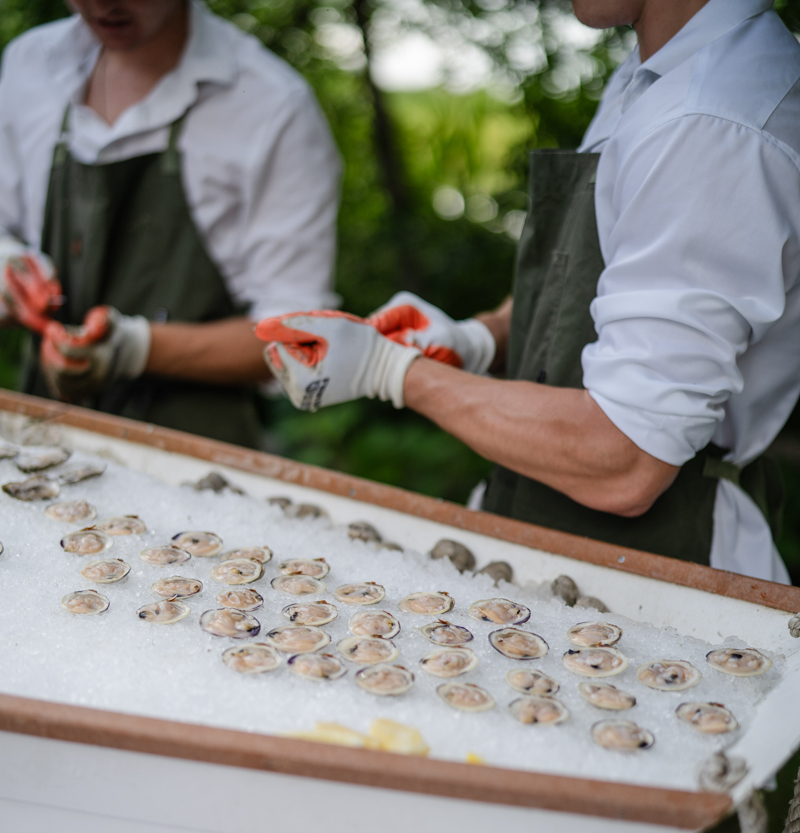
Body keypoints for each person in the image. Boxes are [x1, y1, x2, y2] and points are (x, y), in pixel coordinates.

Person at [258, 0, 800, 584]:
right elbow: (612, 285)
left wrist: (388, 371)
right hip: (558, 527)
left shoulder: (712, 125)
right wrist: (481, 338)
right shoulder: (654, 73)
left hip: (657, 564)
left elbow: (626, 458)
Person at [0, 0, 340, 448]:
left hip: (194, 458)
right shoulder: (30, 64)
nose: (102, 4)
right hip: (44, 440)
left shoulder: (272, 105)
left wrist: (135, 348)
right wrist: (9, 271)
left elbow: (303, 335)